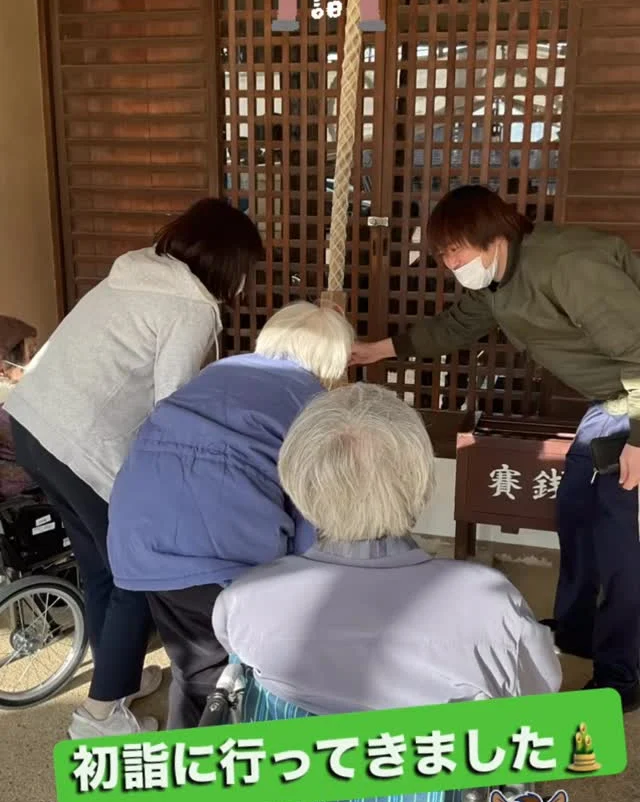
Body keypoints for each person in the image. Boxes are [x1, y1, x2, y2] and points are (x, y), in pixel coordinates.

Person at [349, 184, 640, 712]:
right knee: (577, 511)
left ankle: (624, 672)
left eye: (457, 249)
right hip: (612, 402)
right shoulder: (496, 282)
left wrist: (638, 442)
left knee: (623, 539)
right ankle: (577, 630)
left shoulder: (569, 266)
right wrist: (376, 351)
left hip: (635, 401)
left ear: (494, 234)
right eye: (443, 255)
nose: (452, 263)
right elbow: (456, 325)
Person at [5, 197, 263, 738]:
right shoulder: (192, 307)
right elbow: (172, 407)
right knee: (132, 575)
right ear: (229, 263)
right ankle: (97, 717)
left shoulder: (136, 270)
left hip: (29, 425)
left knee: (99, 566)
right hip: (81, 449)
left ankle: (114, 683)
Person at [213, 382, 561, 714]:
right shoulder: (489, 602)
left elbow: (241, 657)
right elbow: (540, 688)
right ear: (419, 482)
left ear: (296, 481)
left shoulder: (246, 597)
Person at [107, 301, 355, 729]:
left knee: (195, 666)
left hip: (137, 533)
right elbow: (309, 516)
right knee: (253, 672)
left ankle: (187, 774)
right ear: (331, 359)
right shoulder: (314, 405)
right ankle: (221, 778)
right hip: (217, 553)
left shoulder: (218, 372)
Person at [0, 317, 38, 499]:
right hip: (21, 507)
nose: (38, 361)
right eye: (31, 354)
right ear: (3, 368)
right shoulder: (9, 413)